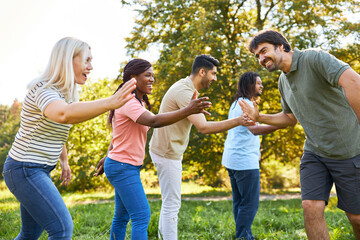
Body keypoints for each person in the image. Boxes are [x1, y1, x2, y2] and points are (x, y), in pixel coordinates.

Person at [2, 37, 136, 240]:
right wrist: (111, 102)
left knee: (30, 233)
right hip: (24, 168)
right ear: (67, 60)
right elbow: (64, 114)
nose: (91, 67)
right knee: (62, 229)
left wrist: (63, 160)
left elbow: (57, 127)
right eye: (87, 60)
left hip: (35, 169)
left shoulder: (67, 93)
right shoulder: (43, 89)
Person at [239, 29, 360, 240]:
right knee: (310, 207)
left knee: (356, 218)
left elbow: (354, 82)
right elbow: (289, 118)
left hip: (350, 151)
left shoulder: (315, 58)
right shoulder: (282, 82)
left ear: (282, 46)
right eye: (257, 55)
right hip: (315, 152)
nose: (260, 58)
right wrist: (260, 116)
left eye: (263, 51)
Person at [93, 58, 211, 240]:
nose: (152, 79)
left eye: (153, 76)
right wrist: (187, 110)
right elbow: (154, 121)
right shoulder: (128, 102)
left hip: (121, 164)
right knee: (141, 216)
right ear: (133, 77)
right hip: (123, 166)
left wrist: (108, 156)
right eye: (147, 75)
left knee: (122, 216)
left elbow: (119, 132)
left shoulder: (137, 103)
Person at [148, 54, 254, 240]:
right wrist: (238, 120)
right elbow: (204, 127)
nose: (215, 78)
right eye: (213, 74)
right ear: (202, 72)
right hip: (166, 152)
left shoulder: (188, 88)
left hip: (169, 150)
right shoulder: (184, 91)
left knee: (170, 203)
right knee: (172, 203)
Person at [222, 71, 283, 240]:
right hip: (244, 162)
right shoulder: (246, 104)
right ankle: (243, 237)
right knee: (249, 203)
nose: (261, 85)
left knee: (240, 202)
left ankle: (244, 234)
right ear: (249, 85)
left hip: (233, 159)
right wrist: (281, 124)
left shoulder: (237, 103)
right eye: (258, 83)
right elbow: (255, 130)